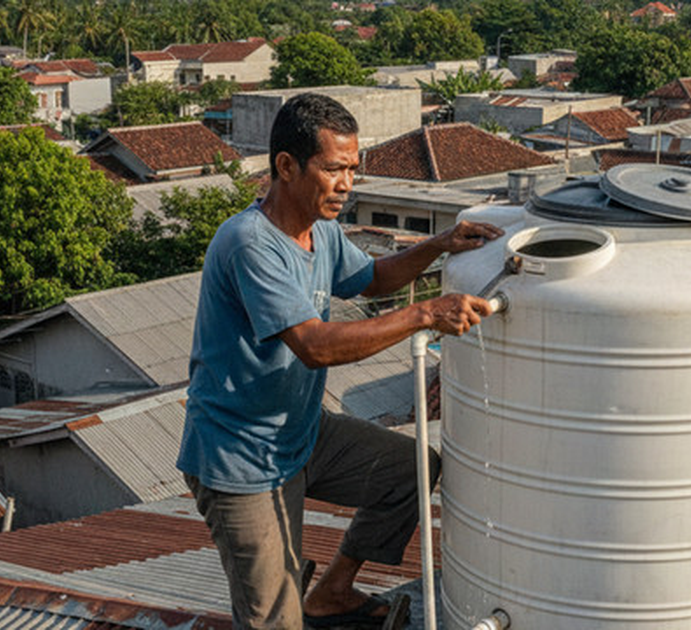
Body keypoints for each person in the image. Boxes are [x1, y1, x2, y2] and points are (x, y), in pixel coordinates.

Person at [176, 92, 504, 629]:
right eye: (334, 169)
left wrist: (441, 245)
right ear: (287, 166)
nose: (348, 184)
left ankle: (331, 590)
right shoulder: (250, 244)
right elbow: (315, 346)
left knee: (411, 471)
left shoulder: (321, 230)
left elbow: (372, 279)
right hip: (242, 456)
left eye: (353, 168)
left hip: (301, 434)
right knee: (274, 620)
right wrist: (423, 315)